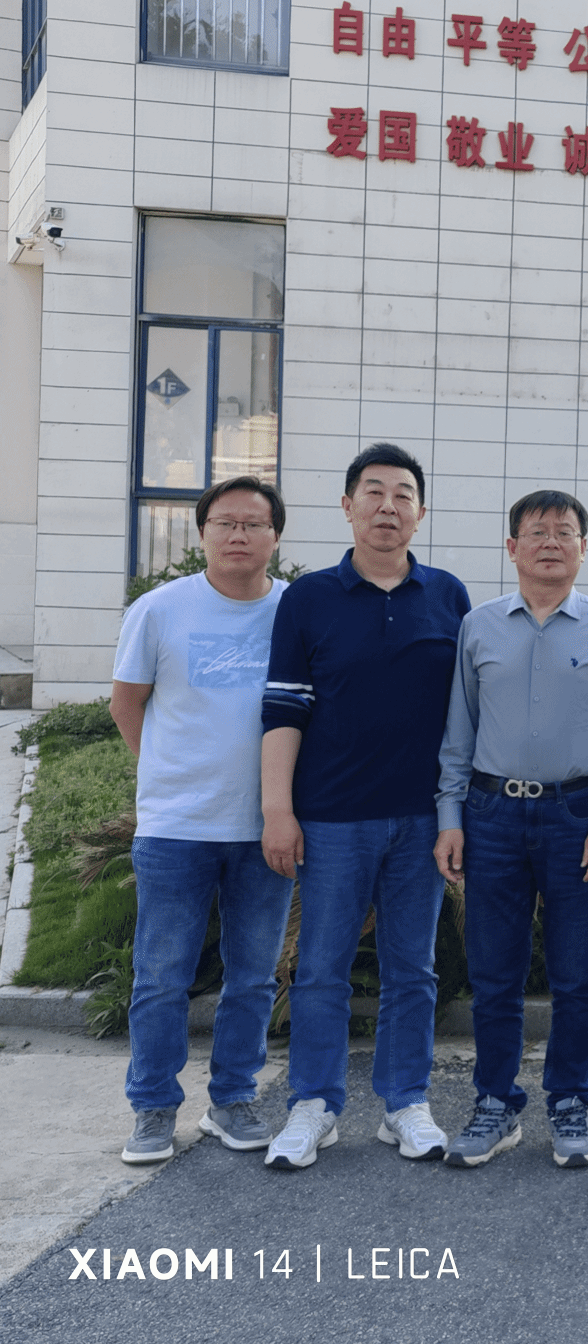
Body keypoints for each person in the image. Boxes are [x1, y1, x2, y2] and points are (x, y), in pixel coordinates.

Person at [260, 444, 470, 1170]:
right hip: (331, 818)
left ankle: (405, 1103)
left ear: (420, 512)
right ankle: (313, 1105)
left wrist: (456, 816)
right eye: (373, 492)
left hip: (422, 820)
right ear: (348, 507)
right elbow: (283, 709)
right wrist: (278, 810)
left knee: (414, 970)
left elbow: (467, 716)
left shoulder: (448, 596)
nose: (388, 506)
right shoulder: (308, 598)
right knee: (322, 968)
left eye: (402, 494)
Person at [432, 490, 588, 1169]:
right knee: (494, 974)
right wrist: (450, 818)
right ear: (512, 547)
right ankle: (495, 1103)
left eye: (564, 532)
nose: (550, 542)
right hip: (491, 816)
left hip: (578, 816)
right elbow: (457, 736)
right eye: (536, 532)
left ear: (583, 548)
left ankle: (570, 1102)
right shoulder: (479, 627)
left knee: (575, 975)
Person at [109, 478, 294, 1165]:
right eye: (225, 522)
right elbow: (126, 704)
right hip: (175, 829)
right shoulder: (160, 609)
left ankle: (233, 1099)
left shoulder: (296, 611)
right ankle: (153, 1108)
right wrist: (168, 774)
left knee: (254, 975)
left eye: (254, 523)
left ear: (276, 536)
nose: (238, 535)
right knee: (161, 976)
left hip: (267, 827)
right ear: (203, 532)